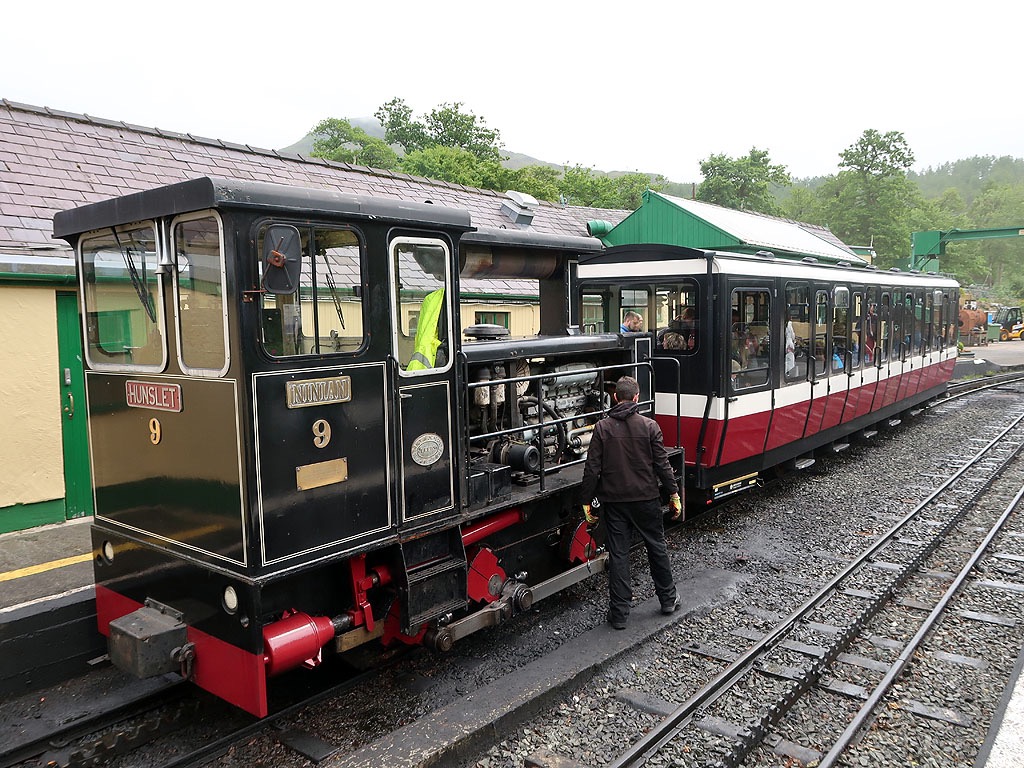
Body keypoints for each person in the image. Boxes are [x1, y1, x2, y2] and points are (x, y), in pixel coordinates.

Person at [579, 376, 682, 630]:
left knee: (619, 554)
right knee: (656, 547)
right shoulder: (650, 426)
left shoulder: (602, 428)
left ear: (615, 397)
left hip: (614, 502)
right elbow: (662, 465)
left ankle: (619, 614)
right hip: (646, 499)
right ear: (637, 397)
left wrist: (586, 502)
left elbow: (592, 469)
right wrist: (674, 494)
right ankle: (668, 600)